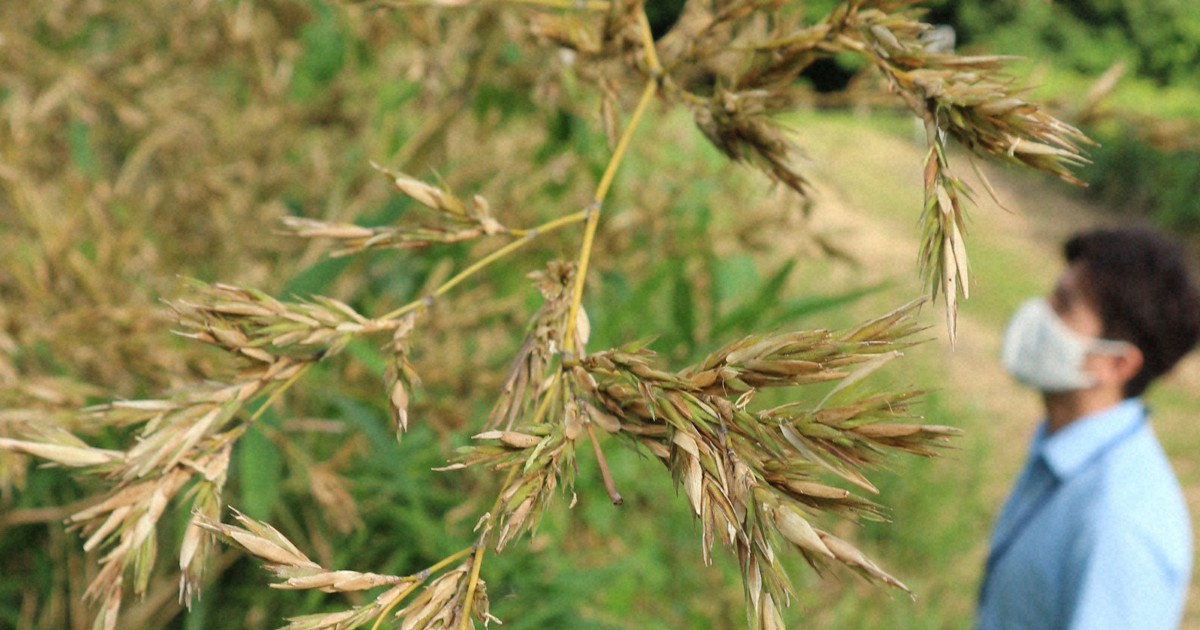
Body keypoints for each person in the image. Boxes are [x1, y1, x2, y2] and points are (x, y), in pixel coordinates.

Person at [977, 227, 1200, 629]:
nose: (1039, 311)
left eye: (1063, 305)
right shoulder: (1064, 451)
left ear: (1116, 365)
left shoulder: (1119, 526)